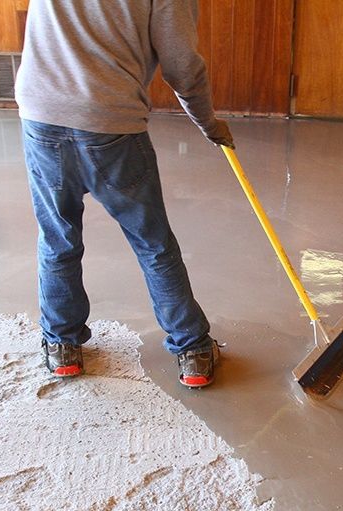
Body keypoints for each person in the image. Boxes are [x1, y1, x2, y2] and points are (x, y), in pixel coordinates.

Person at [14, 0, 232, 387]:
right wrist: (208, 122)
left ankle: (62, 347)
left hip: (42, 114)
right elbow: (181, 65)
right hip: (110, 121)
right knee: (153, 243)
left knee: (57, 238)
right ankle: (193, 350)